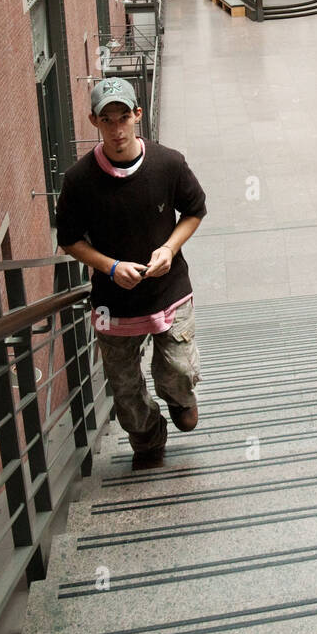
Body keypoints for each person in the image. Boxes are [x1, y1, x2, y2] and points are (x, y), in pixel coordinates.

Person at [55, 79, 207, 471]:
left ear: (138, 115)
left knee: (178, 371)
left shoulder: (168, 163)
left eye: (124, 117)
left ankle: (178, 396)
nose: (117, 128)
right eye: (107, 120)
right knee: (124, 387)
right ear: (94, 122)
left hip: (168, 291)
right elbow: (69, 240)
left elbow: (194, 211)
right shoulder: (78, 181)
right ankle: (147, 437)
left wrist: (169, 249)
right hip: (113, 303)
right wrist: (110, 266)